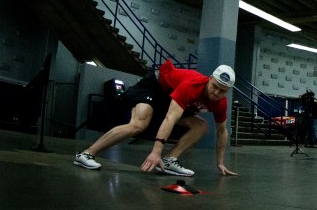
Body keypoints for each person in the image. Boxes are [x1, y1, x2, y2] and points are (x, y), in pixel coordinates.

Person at [73, 60, 238, 176]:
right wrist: (155, 152)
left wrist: (220, 163)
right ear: (209, 79)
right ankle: (86, 154)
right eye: (215, 87)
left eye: (222, 91)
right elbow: (170, 119)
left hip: (169, 98)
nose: (216, 93)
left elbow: (222, 132)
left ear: (227, 92)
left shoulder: (220, 103)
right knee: (138, 125)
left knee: (201, 126)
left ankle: (170, 160)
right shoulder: (191, 85)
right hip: (154, 86)